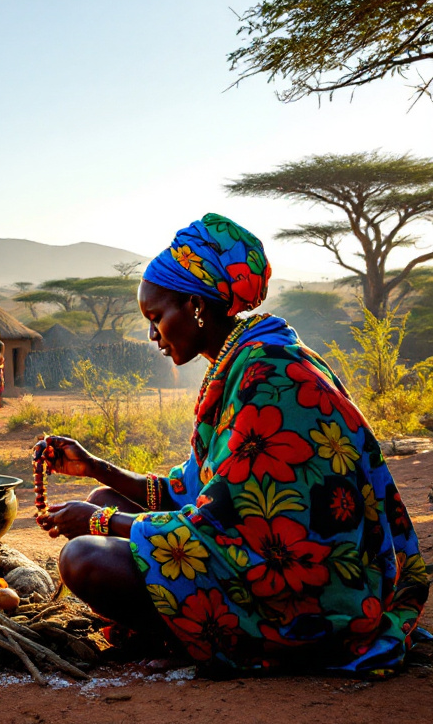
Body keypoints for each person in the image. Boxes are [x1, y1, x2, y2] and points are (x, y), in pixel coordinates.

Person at [35, 213, 426, 675]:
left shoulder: (271, 376)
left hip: (302, 593)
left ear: (195, 305)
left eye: (157, 317)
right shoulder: (243, 360)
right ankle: (182, 629)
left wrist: (98, 520)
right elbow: (195, 489)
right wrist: (97, 468)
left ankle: (211, 642)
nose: (153, 334)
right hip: (254, 550)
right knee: (102, 500)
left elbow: (220, 520)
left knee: (83, 556)